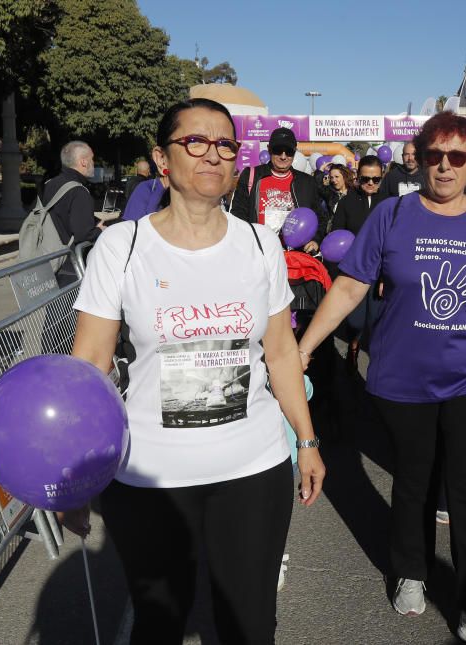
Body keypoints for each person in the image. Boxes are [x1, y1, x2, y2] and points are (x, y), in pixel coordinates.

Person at [65, 97, 325, 644]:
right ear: (163, 158)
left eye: (225, 144)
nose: (213, 154)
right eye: (196, 142)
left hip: (253, 467)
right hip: (151, 476)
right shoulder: (122, 247)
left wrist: (306, 439)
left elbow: (280, 352)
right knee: (159, 624)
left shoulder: (259, 244)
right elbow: (89, 364)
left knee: (250, 625)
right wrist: (77, 472)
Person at [297, 113, 466, 644]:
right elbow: (352, 286)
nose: (444, 166)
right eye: (435, 155)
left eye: (458, 157)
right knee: (414, 483)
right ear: (419, 158)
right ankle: (412, 571)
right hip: (402, 379)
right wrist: (304, 347)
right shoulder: (393, 215)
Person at [230, 127, 328, 254]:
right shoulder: (251, 175)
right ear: (269, 149)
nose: (283, 156)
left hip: (294, 257)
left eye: (289, 151)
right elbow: (238, 214)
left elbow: (320, 217)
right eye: (278, 150)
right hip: (259, 253)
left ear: (295, 151)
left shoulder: (307, 182)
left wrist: (316, 240)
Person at [333, 155, 387, 370]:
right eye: (366, 179)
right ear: (357, 177)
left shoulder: (390, 203)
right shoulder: (347, 202)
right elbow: (337, 234)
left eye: (376, 179)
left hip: (380, 272)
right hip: (354, 271)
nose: (371, 183)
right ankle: (354, 343)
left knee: (375, 319)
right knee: (355, 320)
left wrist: (387, 275)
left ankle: (373, 358)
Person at [42, 140, 104, 284]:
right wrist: (100, 230)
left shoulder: (50, 184)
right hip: (71, 267)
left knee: (55, 307)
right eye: (92, 159)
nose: (93, 163)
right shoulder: (79, 191)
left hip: (49, 260)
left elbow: (59, 214)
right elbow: (83, 234)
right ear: (83, 161)